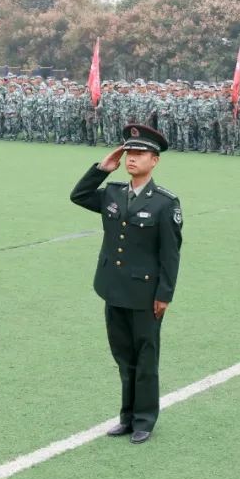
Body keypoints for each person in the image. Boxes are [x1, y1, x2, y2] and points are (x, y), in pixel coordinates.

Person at [70, 124, 183, 445]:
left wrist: (164, 294)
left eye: (140, 154)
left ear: (154, 161)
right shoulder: (113, 192)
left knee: (145, 359)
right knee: (123, 357)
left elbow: (170, 254)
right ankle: (126, 417)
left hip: (145, 295)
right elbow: (79, 196)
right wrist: (102, 168)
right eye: (129, 153)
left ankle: (144, 420)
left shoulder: (165, 203)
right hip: (113, 289)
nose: (132, 158)